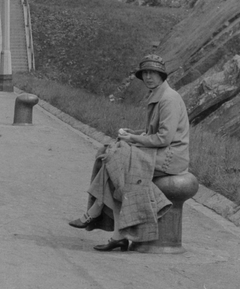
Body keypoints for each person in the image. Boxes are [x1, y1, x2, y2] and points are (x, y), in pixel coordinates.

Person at [68, 54, 190, 250]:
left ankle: (97, 212)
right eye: (145, 73)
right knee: (109, 154)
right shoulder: (158, 95)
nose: (148, 77)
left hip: (171, 156)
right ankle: (116, 234)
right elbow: (154, 133)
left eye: (152, 73)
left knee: (117, 160)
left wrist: (132, 138)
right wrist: (135, 133)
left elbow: (164, 139)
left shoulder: (169, 99)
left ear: (161, 75)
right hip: (160, 152)